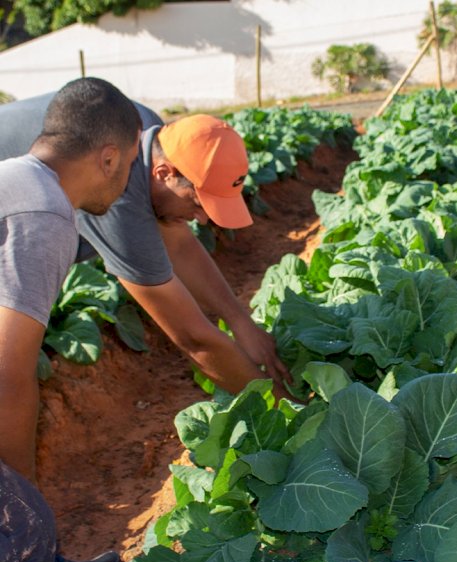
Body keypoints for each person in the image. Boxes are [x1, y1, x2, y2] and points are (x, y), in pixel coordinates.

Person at [0, 78, 142, 562]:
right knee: (20, 526)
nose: (130, 183)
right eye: (134, 163)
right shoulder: (47, 215)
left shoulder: (17, 179)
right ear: (108, 157)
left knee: (24, 526)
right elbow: (9, 371)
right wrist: (20, 488)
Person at [0, 91, 292, 400]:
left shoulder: (148, 131)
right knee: (10, 368)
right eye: (198, 203)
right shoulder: (113, 184)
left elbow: (178, 244)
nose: (203, 220)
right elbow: (193, 337)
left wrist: (240, 321)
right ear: (164, 173)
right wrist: (283, 405)